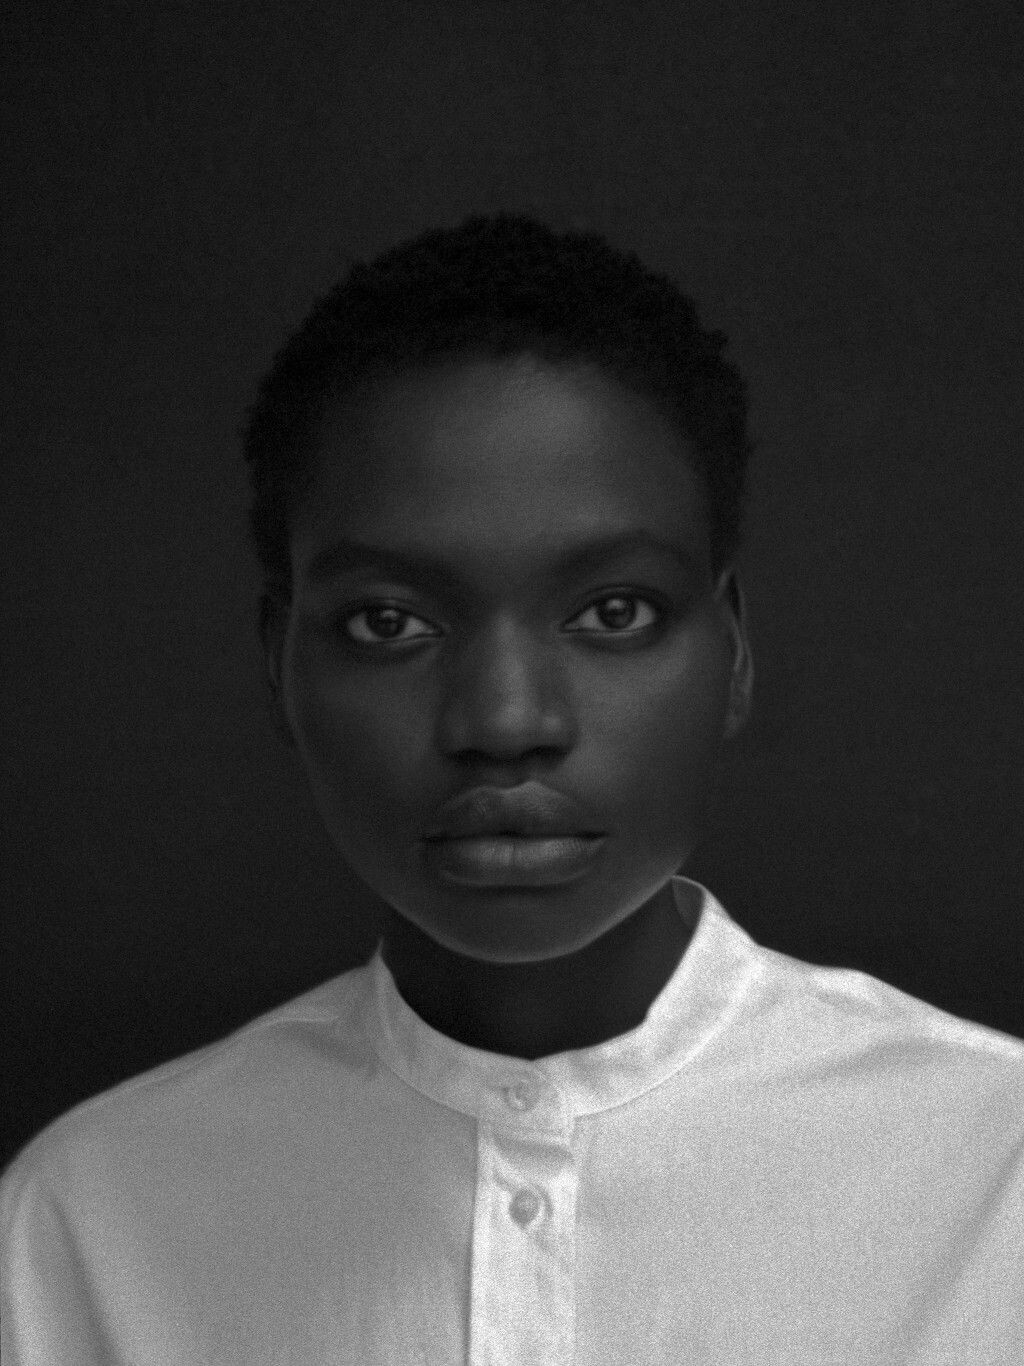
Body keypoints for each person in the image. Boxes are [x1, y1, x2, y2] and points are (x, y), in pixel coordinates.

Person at [2, 213, 1022, 1364]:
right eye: (389, 622)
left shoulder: (996, 1174)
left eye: (613, 610)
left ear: (733, 649)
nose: (504, 721)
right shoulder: (89, 1225)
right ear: (279, 665)